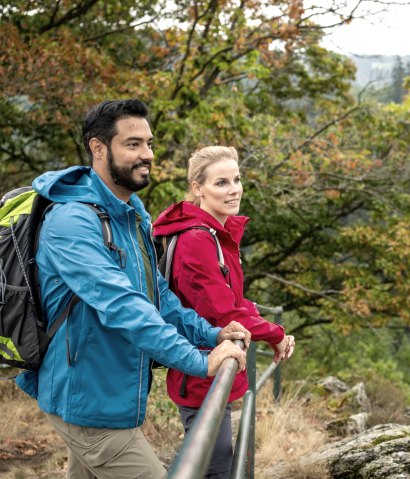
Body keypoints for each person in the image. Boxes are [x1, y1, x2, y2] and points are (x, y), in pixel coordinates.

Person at [16, 100, 251, 479]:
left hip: (111, 399)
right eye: (133, 144)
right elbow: (123, 305)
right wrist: (198, 360)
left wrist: (210, 332)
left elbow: (155, 293)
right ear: (98, 148)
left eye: (149, 143)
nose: (147, 155)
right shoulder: (71, 221)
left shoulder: (131, 213)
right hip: (87, 403)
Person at [153, 145, 296, 478]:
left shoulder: (218, 234)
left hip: (211, 368)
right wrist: (275, 334)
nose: (233, 189)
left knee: (217, 461)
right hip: (200, 371)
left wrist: (270, 329)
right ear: (198, 188)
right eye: (221, 182)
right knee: (212, 466)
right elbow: (223, 314)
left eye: (236, 179)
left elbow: (234, 299)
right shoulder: (197, 240)